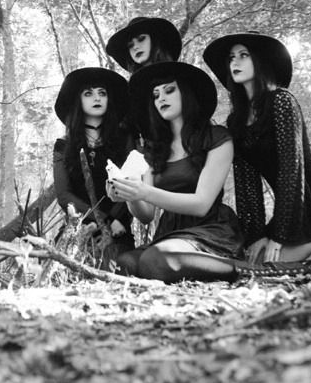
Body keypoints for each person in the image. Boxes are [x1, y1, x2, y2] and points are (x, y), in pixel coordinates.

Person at [202, 32, 311, 269]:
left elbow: (291, 171)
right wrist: (256, 235)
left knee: (275, 265)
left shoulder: (282, 102)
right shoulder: (236, 121)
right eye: (231, 57)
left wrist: (279, 235)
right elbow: (246, 185)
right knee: (254, 259)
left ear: (260, 61)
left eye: (243, 55)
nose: (235, 62)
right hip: (288, 208)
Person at [107, 61, 246, 283]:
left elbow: (202, 204)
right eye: (156, 95)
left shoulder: (217, 138)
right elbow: (146, 215)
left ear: (187, 94)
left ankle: (245, 269)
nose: (161, 98)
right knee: (125, 264)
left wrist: (143, 192)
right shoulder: (155, 149)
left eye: (169, 90)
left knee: (155, 260)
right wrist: (128, 193)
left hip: (211, 228)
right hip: (170, 231)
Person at [53, 67, 135, 266]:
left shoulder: (124, 140)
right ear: (78, 101)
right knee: (65, 270)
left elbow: (133, 184)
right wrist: (103, 221)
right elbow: (64, 195)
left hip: (118, 228)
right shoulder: (63, 146)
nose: (97, 98)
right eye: (88, 93)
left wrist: (116, 219)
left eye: (102, 93)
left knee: (117, 269)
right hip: (79, 228)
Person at [105, 16, 182, 74]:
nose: (135, 47)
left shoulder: (181, 76)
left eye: (141, 39)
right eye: (130, 45)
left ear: (155, 42)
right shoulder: (132, 88)